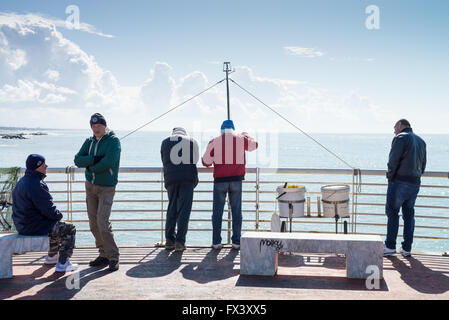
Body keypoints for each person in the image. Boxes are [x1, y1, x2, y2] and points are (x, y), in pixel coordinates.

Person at [12, 154, 78, 272]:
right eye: (43, 164)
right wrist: (59, 216)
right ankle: (63, 263)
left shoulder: (22, 181)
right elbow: (48, 209)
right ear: (38, 166)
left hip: (22, 225)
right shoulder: (36, 183)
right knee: (68, 228)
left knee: (54, 225)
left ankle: (52, 256)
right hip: (33, 227)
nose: (46, 166)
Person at [74, 113, 121, 271]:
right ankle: (103, 254)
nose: (96, 129)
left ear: (105, 126)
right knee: (93, 223)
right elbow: (77, 160)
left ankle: (113, 256)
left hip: (106, 187)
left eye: (99, 126)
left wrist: (90, 167)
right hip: (90, 186)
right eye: (93, 127)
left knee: (102, 221)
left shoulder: (114, 141)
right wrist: (93, 160)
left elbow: (109, 162)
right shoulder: (89, 141)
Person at [202, 120, 258, 250]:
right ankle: (236, 242)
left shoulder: (214, 141)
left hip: (220, 181)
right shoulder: (240, 139)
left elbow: (205, 162)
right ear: (233, 129)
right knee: (236, 212)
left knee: (217, 212)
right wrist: (246, 135)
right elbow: (254, 145)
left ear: (221, 130)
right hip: (236, 181)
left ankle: (216, 242)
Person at [384, 119, 426, 257]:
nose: (394, 130)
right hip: (415, 183)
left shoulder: (400, 138)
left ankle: (390, 246)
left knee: (392, 212)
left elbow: (393, 161)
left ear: (401, 125)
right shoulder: (421, 141)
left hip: (399, 182)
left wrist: (390, 177)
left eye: (395, 126)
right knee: (409, 215)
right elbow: (423, 165)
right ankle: (407, 248)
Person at [161, 127, 199, 251]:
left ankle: (169, 240)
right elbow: (196, 159)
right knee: (184, 210)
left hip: (171, 179)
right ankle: (180, 242)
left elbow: (163, 159)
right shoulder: (192, 141)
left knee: (172, 207)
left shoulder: (165, 142)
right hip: (187, 179)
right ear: (185, 133)